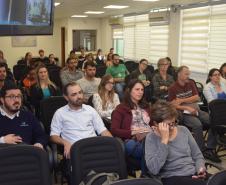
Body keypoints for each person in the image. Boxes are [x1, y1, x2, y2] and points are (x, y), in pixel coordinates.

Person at [50, 82, 112, 184]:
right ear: (66, 97)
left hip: (94, 148)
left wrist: (112, 144)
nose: (79, 96)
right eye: (74, 94)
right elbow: (53, 136)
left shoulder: (90, 110)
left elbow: (103, 130)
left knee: (108, 170)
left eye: (80, 92)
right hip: (75, 151)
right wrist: (65, 142)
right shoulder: (60, 113)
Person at [145, 100, 207, 185]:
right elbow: (154, 169)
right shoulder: (151, 138)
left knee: (219, 179)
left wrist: (200, 169)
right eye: (167, 125)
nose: (172, 127)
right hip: (172, 177)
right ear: (156, 123)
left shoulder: (183, 130)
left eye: (173, 123)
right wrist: (164, 140)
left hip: (193, 172)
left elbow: (197, 156)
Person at [168, 66, 220, 162]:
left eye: (189, 74)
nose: (188, 76)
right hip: (184, 113)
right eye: (186, 74)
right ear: (179, 74)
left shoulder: (191, 83)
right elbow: (172, 105)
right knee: (197, 124)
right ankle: (201, 150)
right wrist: (186, 107)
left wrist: (182, 100)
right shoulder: (173, 88)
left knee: (214, 120)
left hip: (196, 110)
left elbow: (197, 98)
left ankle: (210, 148)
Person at [111, 79, 152, 171]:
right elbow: (114, 130)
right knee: (149, 149)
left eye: (142, 90)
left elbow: (152, 123)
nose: (140, 92)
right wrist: (134, 132)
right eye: (137, 89)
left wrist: (154, 128)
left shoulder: (146, 106)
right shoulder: (121, 108)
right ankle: (146, 176)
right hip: (131, 140)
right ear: (129, 91)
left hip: (149, 136)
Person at [0, 83, 47, 148]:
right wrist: (3, 140)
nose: (16, 100)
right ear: (2, 100)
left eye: (19, 96)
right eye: (11, 96)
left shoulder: (28, 116)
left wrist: (39, 143)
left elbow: (41, 135)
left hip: (26, 154)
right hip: (3, 155)